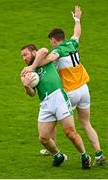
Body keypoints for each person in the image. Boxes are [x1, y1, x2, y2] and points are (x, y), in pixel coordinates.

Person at [24, 6, 105, 166]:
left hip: (71, 91)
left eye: (51, 41)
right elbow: (77, 33)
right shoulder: (72, 44)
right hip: (84, 89)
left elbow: (48, 58)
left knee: (54, 115)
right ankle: (98, 154)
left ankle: (50, 147)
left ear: (54, 40)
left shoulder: (58, 50)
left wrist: (32, 67)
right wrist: (77, 19)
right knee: (86, 123)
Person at [20, 44, 91, 169]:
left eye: (26, 54)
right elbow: (32, 94)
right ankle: (58, 155)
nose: (24, 58)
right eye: (22, 56)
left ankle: (84, 156)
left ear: (34, 53)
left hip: (59, 98)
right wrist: (26, 86)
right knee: (43, 138)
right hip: (45, 103)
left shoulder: (43, 58)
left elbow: (44, 50)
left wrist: (33, 66)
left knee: (70, 133)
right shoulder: (25, 72)